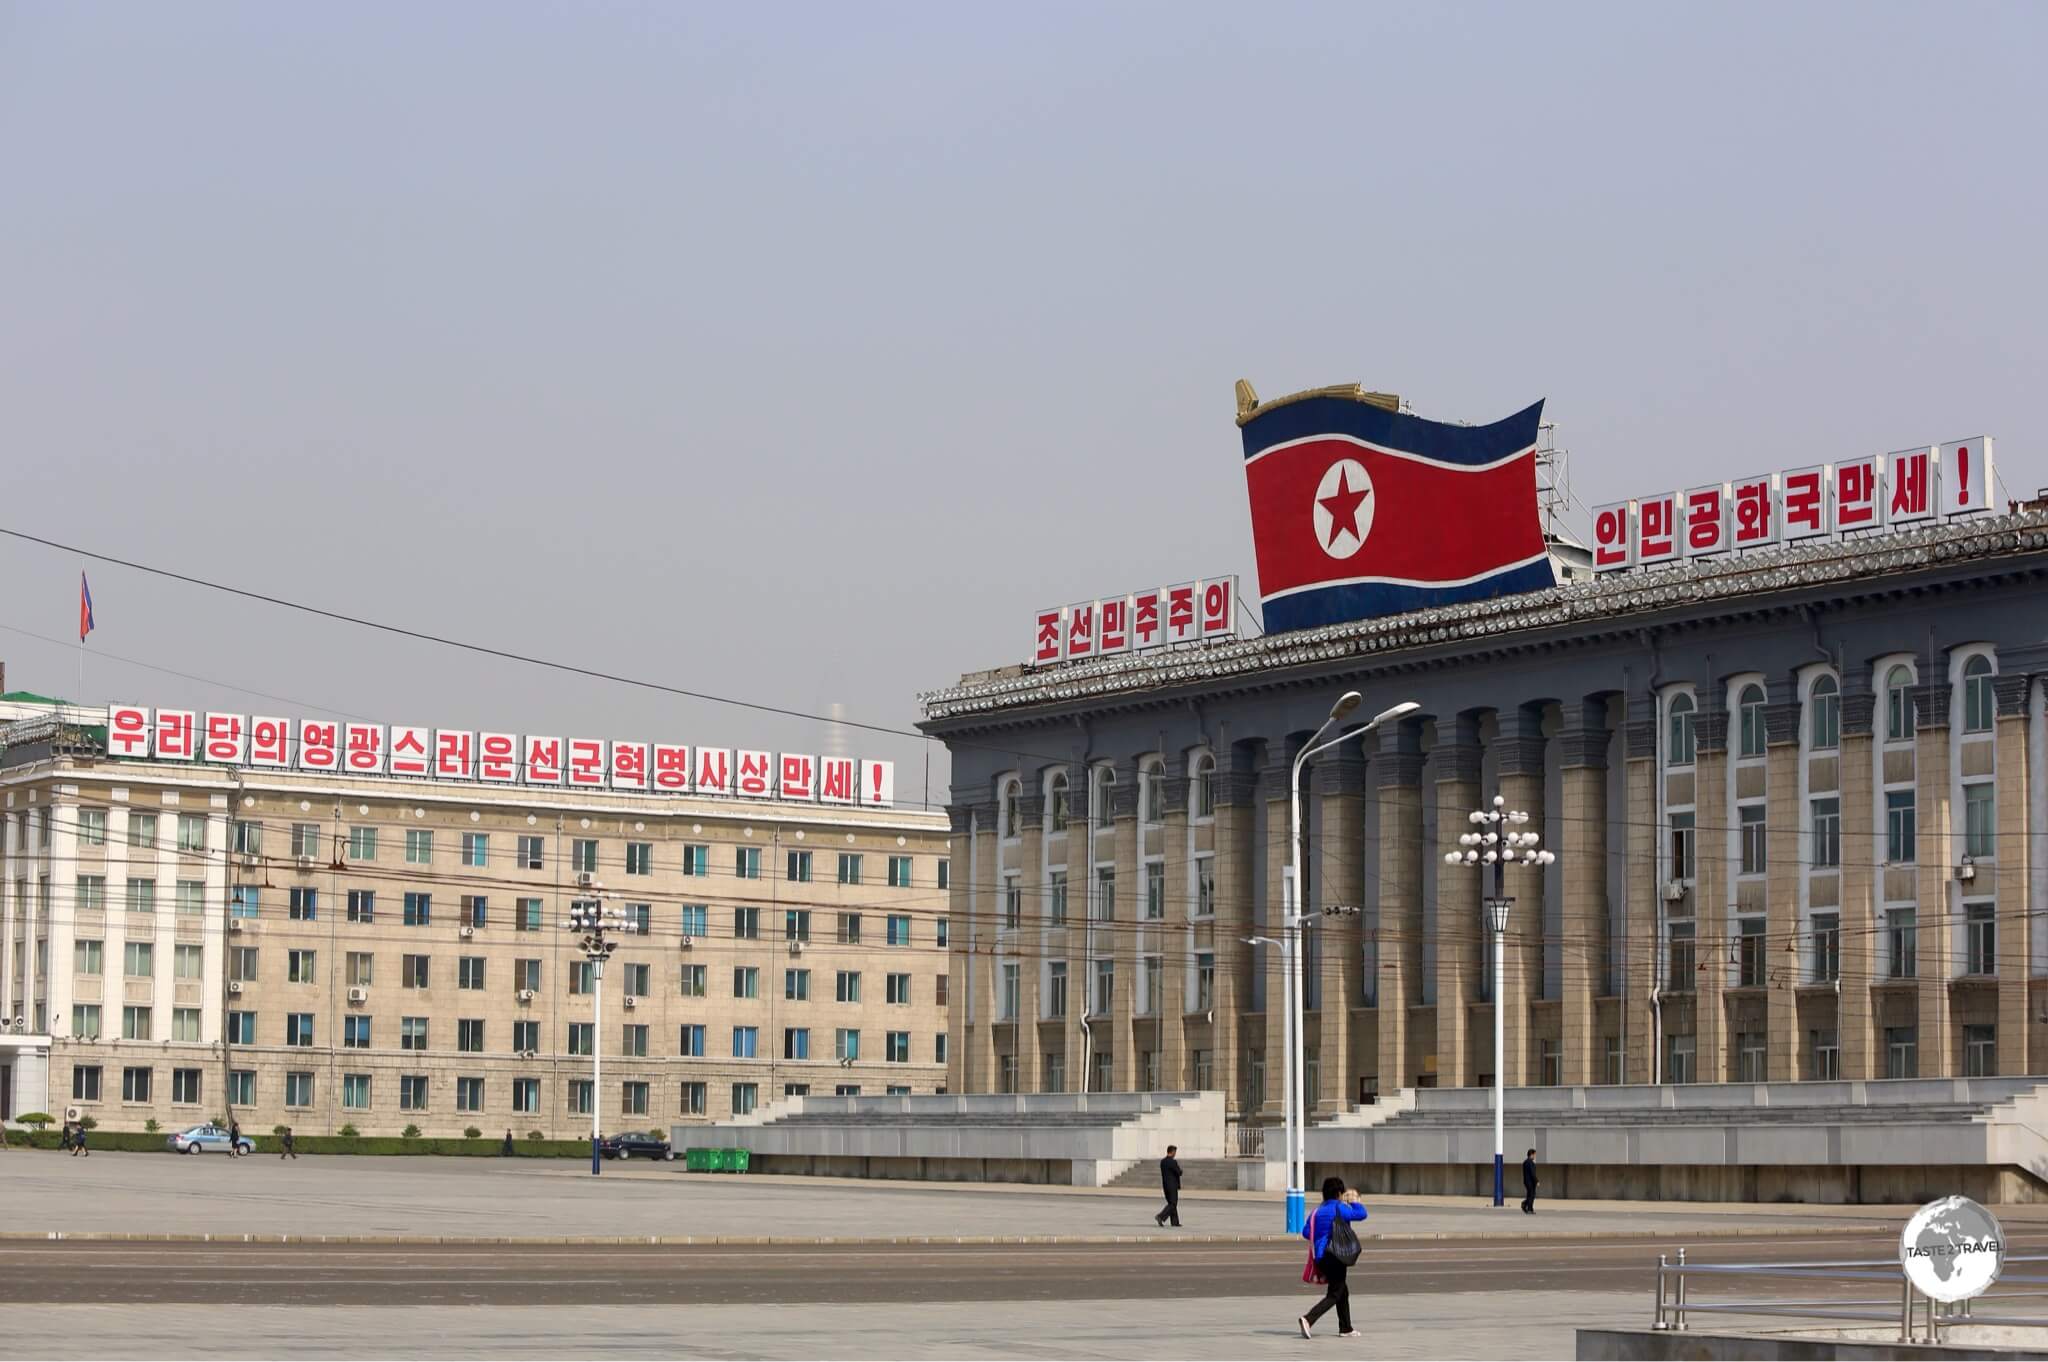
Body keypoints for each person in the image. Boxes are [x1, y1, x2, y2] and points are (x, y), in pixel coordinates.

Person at [1298, 1176, 1367, 1339]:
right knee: (1335, 1293)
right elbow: (1361, 1214)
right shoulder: (1339, 1208)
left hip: (1321, 1257)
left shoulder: (1316, 1212)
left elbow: (1306, 1232)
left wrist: (1322, 1235)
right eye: (1342, 1193)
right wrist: (1355, 1201)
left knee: (1342, 1290)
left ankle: (1346, 1328)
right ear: (1338, 1193)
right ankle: (1308, 1319)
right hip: (1336, 1255)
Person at [1155, 1145, 1183, 1228]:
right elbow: (1179, 1172)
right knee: (1173, 1203)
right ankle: (1160, 1216)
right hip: (1172, 1186)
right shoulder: (1172, 1162)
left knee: (1171, 1203)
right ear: (1172, 1152)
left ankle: (1175, 1222)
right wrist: (1180, 1171)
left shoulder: (1162, 1161)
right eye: (1175, 1152)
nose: (1175, 1154)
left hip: (1165, 1186)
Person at [1521, 1149, 1539, 1215]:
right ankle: (1529, 1208)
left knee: (1529, 1195)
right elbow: (1532, 1173)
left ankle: (1526, 1206)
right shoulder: (1531, 1163)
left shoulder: (1525, 1162)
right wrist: (1537, 1181)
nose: (1534, 1156)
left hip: (1526, 1181)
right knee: (1532, 1195)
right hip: (1531, 1182)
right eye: (1534, 1154)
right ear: (1531, 1154)